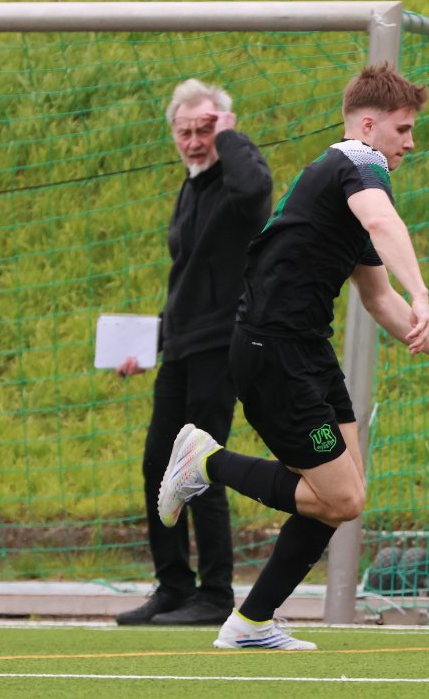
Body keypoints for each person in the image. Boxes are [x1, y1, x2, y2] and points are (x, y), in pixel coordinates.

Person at [157, 64, 429, 651]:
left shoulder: (345, 185)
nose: (410, 143)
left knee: (339, 499)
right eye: (404, 129)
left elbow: (376, 297)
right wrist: (424, 292)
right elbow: (383, 222)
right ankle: (204, 461)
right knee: (342, 498)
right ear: (369, 125)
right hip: (272, 353)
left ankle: (251, 622)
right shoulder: (356, 163)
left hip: (306, 352)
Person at [115, 79, 272, 627]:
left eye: (205, 128)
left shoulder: (236, 184)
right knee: (158, 463)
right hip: (181, 346)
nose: (194, 139)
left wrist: (231, 138)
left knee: (198, 463)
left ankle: (215, 593)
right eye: (185, 131)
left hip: (218, 345)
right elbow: (184, 280)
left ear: (224, 127)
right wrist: (147, 345)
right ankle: (174, 586)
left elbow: (256, 190)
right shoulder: (192, 188)